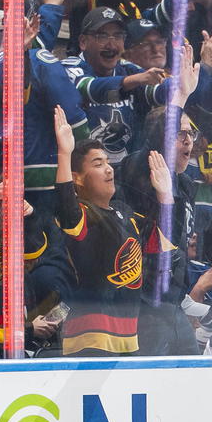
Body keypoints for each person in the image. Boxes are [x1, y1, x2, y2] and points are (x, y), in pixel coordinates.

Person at [50, 104, 174, 357]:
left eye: (108, 161)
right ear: (78, 178)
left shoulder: (125, 213)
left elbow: (165, 238)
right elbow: (66, 206)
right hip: (89, 339)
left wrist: (165, 195)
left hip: (128, 337)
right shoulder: (84, 214)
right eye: (97, 164)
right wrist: (64, 154)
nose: (108, 168)